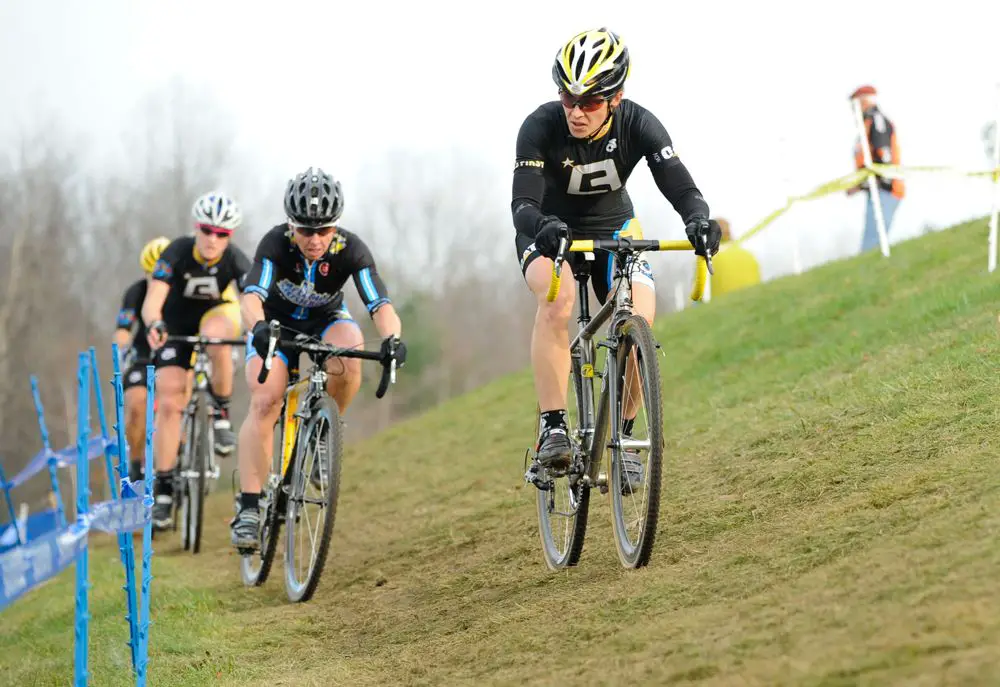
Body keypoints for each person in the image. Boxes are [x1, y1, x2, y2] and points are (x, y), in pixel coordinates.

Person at [511, 27, 721, 469]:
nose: (576, 112)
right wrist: (543, 224)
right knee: (557, 299)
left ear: (616, 98)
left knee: (640, 316)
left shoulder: (639, 124)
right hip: (548, 231)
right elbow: (522, 204)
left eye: (588, 103)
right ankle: (553, 425)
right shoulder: (539, 126)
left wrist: (699, 220)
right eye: (568, 100)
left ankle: (624, 436)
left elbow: (681, 187)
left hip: (614, 226)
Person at [230, 167, 407, 550]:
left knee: (352, 344)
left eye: (324, 230)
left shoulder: (351, 249)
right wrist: (258, 328)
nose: (314, 239)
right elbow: (250, 298)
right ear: (290, 225)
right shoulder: (275, 244)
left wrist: (393, 338)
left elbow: (380, 303)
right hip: (275, 326)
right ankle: (248, 505)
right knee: (265, 400)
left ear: (336, 226)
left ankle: (325, 431)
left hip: (326, 322)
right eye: (305, 230)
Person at [142, 191, 251, 530]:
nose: (212, 239)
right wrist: (154, 324)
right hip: (175, 325)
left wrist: (256, 330)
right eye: (207, 230)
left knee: (218, 337)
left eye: (222, 234)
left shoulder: (235, 259)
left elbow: (250, 302)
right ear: (196, 228)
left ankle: (220, 414)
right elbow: (152, 301)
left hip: (215, 317)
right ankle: (162, 487)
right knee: (171, 400)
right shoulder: (176, 252)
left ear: (229, 236)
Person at [113, 236, 170, 482]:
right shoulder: (137, 292)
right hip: (144, 354)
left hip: (177, 351)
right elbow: (123, 329)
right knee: (136, 404)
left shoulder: (185, 289)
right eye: (150, 276)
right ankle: (136, 464)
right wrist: (121, 349)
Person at [847, 84, 905, 253]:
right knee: (872, 240)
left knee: (872, 244)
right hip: (875, 190)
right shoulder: (865, 125)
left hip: (886, 189)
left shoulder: (877, 121)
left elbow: (883, 161)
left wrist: (862, 184)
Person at [704, 218, 760, 298]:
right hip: (753, 300)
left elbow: (698, 292)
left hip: (722, 305)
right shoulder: (749, 255)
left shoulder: (707, 259)